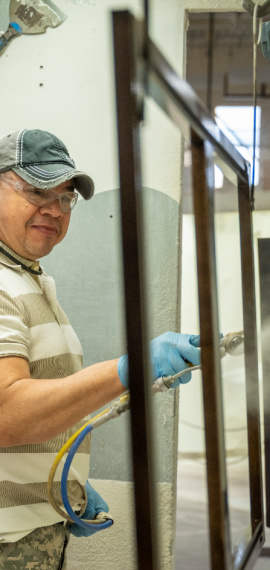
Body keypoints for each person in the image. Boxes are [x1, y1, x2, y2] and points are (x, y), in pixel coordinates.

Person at [0, 128, 201, 569]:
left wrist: (58, 483)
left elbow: (36, 403)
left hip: (32, 532)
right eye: (36, 190)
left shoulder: (27, 276)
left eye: (66, 196)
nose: (54, 209)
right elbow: (7, 414)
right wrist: (128, 368)